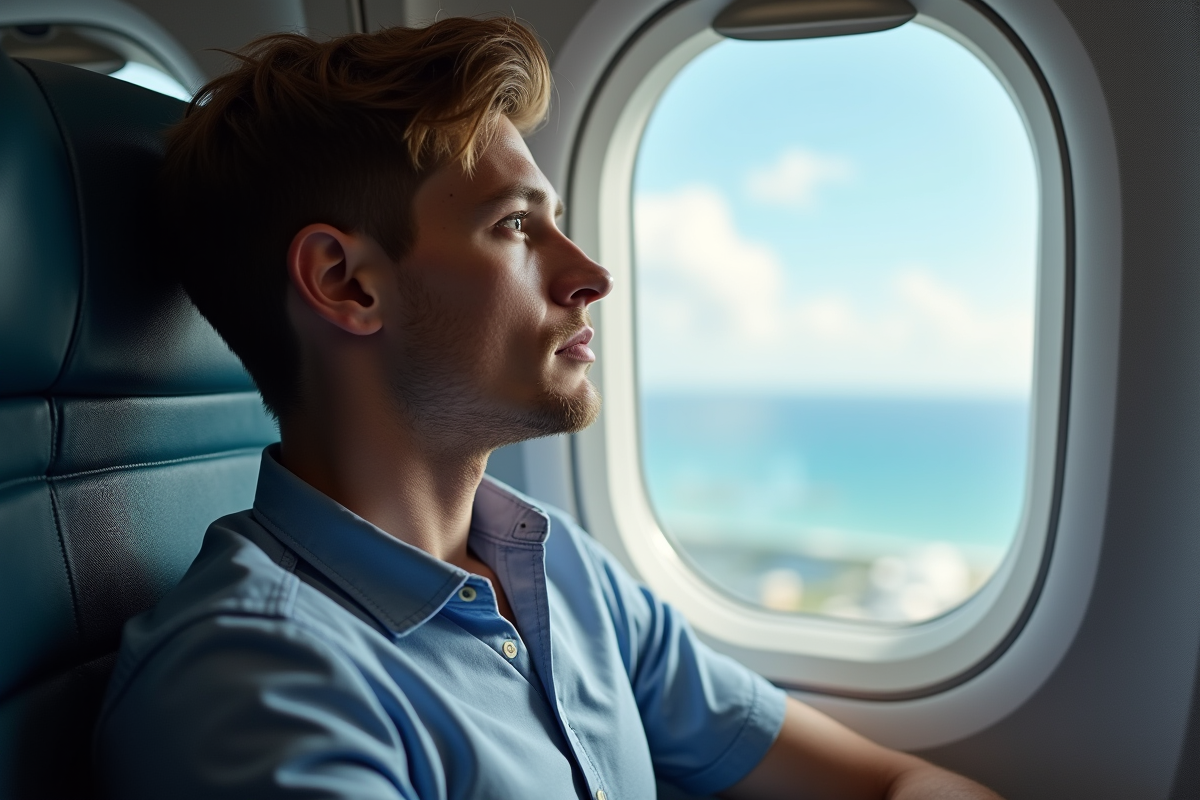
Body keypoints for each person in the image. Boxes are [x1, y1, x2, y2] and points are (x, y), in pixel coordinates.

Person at [95, 17, 1003, 800]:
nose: (591, 275)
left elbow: (890, 781)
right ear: (346, 283)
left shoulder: (560, 574)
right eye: (517, 226)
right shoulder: (260, 690)